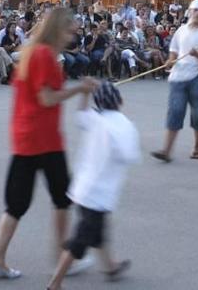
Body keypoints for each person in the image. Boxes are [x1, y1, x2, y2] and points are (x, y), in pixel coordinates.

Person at [0, 8, 99, 281]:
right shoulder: (44, 55)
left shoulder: (34, 52)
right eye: (71, 29)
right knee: (59, 199)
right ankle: (62, 258)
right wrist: (79, 89)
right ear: (58, 28)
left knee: (18, 203)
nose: (74, 33)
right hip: (43, 140)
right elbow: (47, 98)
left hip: (28, 138)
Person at [46, 82, 140, 290]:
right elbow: (129, 155)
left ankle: (111, 267)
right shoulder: (123, 125)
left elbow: (81, 114)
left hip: (82, 190)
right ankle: (55, 283)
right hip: (99, 194)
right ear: (120, 101)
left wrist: (85, 94)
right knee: (80, 241)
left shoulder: (94, 118)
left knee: (97, 232)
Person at [151, 0, 198, 162]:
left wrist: (197, 54)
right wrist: (170, 60)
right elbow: (174, 50)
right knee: (175, 111)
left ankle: (197, 146)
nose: (197, 13)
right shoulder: (181, 30)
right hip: (179, 75)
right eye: (194, 10)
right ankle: (166, 151)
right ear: (190, 11)